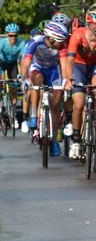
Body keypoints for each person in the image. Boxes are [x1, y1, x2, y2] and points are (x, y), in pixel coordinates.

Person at [65, 10, 96, 160]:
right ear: (93, 27)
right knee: (79, 103)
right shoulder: (78, 35)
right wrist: (69, 78)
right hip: (79, 65)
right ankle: (76, 140)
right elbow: (69, 60)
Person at [21, 21, 70, 156]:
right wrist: (25, 79)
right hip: (38, 68)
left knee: (56, 103)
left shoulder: (62, 46)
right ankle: (33, 114)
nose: (63, 43)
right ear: (52, 39)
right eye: (61, 40)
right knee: (37, 81)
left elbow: (64, 65)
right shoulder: (36, 42)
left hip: (53, 71)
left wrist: (66, 80)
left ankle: (53, 139)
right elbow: (26, 63)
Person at [0, 23, 27, 129]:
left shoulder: (21, 43)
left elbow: (23, 60)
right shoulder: (2, 43)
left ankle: (13, 113)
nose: (13, 38)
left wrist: (22, 74)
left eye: (15, 35)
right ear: (7, 35)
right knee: (1, 82)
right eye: (11, 35)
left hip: (13, 65)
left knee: (14, 88)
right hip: (1, 63)